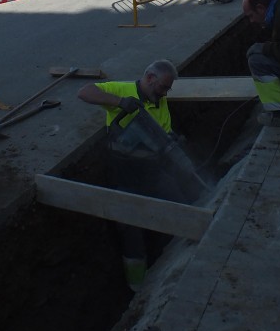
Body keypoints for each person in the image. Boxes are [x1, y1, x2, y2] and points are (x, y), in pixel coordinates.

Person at [78, 60, 197, 289]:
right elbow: (84, 92)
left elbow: (165, 135)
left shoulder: (160, 102)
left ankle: (184, 259)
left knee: (182, 207)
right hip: (124, 177)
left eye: (168, 89)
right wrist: (120, 103)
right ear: (150, 78)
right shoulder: (123, 90)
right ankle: (137, 289)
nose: (165, 93)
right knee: (130, 233)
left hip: (152, 173)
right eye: (163, 87)